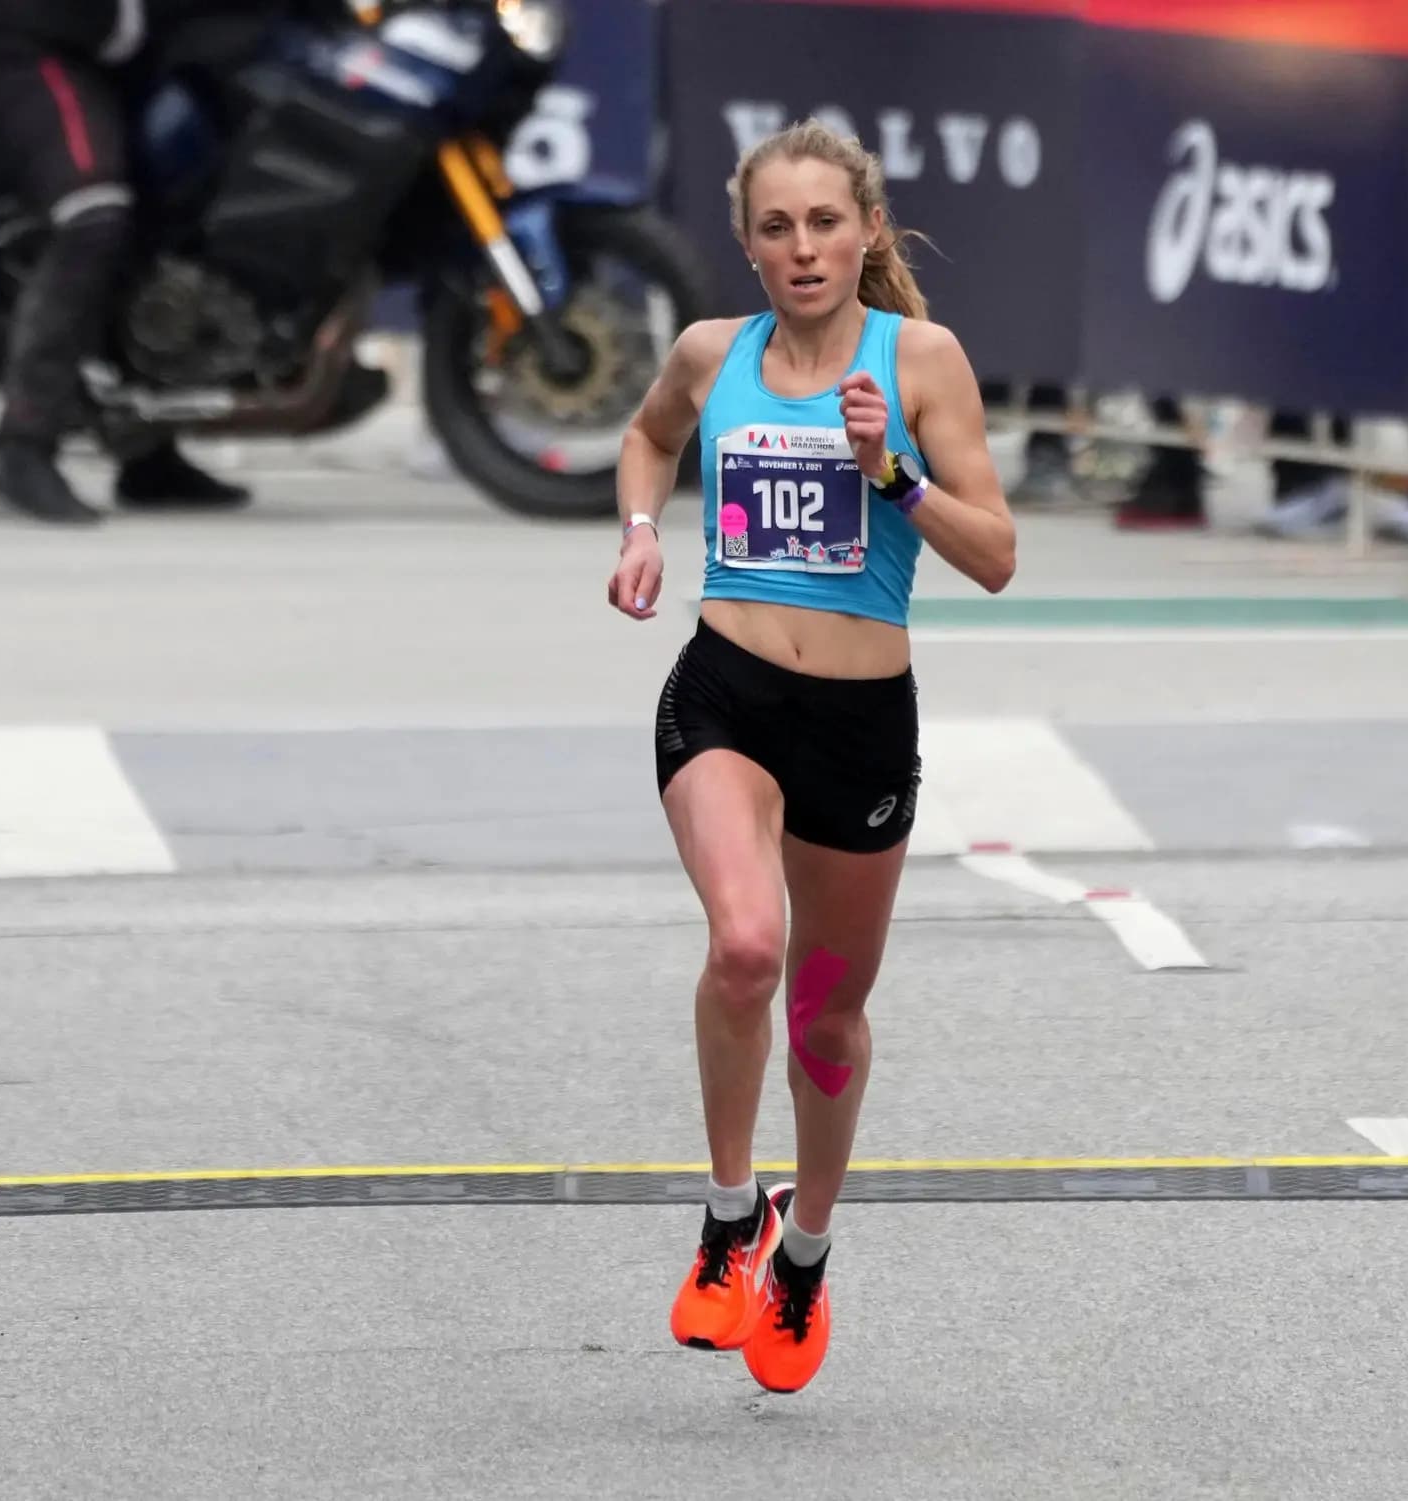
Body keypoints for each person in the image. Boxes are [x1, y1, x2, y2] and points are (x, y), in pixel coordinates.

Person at [606, 118, 1017, 1394]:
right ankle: (732, 1218)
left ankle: (806, 1254)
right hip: (724, 692)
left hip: (860, 724)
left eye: (824, 224)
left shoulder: (921, 362)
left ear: (866, 233)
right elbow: (647, 435)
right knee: (745, 945)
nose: (801, 248)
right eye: (775, 227)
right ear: (746, 242)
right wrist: (638, 531)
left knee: (826, 1011)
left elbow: (996, 555)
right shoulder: (710, 352)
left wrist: (888, 472)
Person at [0, 1, 250, 525]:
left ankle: (144, 449)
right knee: (95, 215)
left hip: (113, 53)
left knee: (174, 213)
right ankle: (24, 443)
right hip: (28, 44)